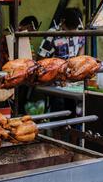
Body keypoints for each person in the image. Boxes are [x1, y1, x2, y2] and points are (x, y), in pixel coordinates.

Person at [37, 8, 86, 143]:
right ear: (62, 22)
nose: (72, 32)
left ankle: (74, 142)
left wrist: (77, 64)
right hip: (55, 83)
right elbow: (40, 59)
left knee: (76, 112)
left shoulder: (80, 31)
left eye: (74, 29)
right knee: (57, 112)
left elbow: (82, 47)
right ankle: (57, 142)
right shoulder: (52, 35)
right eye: (69, 28)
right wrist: (56, 70)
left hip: (73, 82)